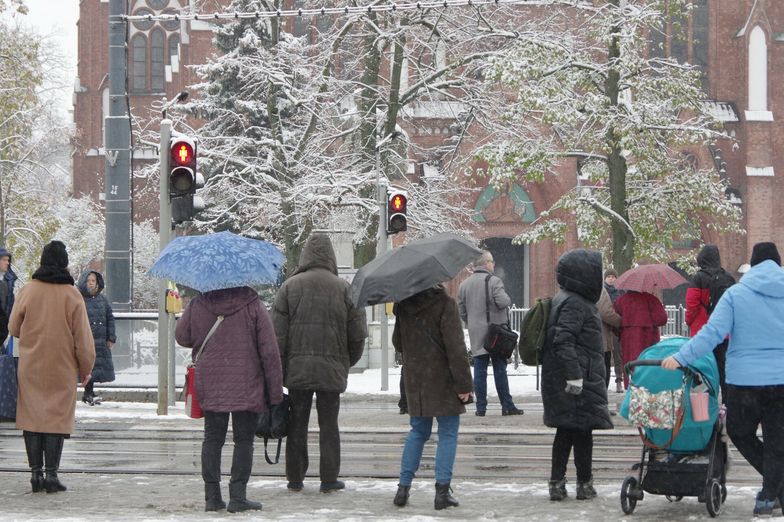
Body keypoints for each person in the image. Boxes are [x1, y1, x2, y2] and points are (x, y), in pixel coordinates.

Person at [662, 241, 784, 517]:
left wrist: (682, 356)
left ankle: (770, 494)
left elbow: (711, 333)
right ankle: (771, 494)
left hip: (744, 383)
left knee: (740, 433)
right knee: (778, 441)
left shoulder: (736, 294)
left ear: (751, 265)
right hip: (781, 382)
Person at [272, 233, 367, 494]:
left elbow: (277, 337)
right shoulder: (345, 289)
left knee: (297, 424)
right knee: (329, 425)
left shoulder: (289, 288)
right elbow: (358, 336)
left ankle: (295, 478)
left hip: (298, 371)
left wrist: (282, 370)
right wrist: (345, 362)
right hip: (331, 371)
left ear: (305, 256)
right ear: (331, 257)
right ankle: (328, 478)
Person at [175, 285, 283, 513]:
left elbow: (182, 336)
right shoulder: (253, 304)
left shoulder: (198, 303)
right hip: (247, 382)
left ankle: (212, 497)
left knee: (212, 439)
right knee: (244, 441)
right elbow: (269, 351)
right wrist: (274, 394)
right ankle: (238, 496)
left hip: (211, 380)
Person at [8, 241, 95, 494]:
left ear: (43, 261)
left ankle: (35, 474)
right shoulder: (72, 295)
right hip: (62, 366)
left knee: (32, 418)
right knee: (55, 419)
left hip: (31, 365)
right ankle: (52, 476)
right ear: (64, 263)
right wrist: (86, 367)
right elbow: (84, 339)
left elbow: (13, 327)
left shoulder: (28, 290)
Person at [391, 284, 473, 510]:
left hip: (416, 379)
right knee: (447, 433)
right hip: (443, 378)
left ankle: (403, 489)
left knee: (417, 432)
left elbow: (398, 344)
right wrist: (465, 384)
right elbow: (455, 348)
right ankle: (442, 492)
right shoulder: (445, 304)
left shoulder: (403, 305)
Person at [542, 249, 613, 502]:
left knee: (571, 432)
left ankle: (562, 483)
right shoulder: (575, 303)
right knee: (578, 433)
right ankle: (580, 483)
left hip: (573, 378)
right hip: (576, 380)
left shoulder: (568, 299)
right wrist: (574, 376)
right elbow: (563, 340)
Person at [458, 251, 523, 417]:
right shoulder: (494, 281)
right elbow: (503, 302)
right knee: (499, 369)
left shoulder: (464, 285)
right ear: (486, 263)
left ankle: (481, 407)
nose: (493, 265)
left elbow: (462, 311)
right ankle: (507, 405)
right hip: (495, 333)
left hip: (476, 331)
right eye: (492, 261)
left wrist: (473, 321)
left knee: (479, 369)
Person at [684, 244, 735, 402]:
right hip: (723, 334)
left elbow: (692, 304)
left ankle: (704, 408)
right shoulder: (729, 278)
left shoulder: (699, 278)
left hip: (702, 333)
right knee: (723, 370)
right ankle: (728, 405)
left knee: (701, 371)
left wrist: (689, 321)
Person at [613, 287, 668, 389]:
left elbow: (615, 322)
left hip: (627, 338)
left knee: (629, 364)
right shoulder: (651, 299)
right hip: (648, 337)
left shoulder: (621, 300)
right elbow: (662, 319)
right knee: (647, 363)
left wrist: (621, 331)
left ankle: (630, 388)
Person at [77, 270, 116, 405]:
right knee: (88, 366)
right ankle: (87, 393)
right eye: (88, 281)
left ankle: (89, 392)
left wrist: (111, 337)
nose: (91, 283)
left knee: (96, 366)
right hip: (86, 339)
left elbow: (110, 317)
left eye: (93, 281)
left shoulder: (102, 299)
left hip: (100, 339)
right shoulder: (79, 298)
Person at [596, 285, 621, 393]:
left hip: (582, 343)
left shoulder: (572, 289)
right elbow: (606, 313)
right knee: (601, 375)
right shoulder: (599, 290)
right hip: (600, 339)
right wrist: (620, 322)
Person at [603, 269, 624, 393]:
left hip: (616, 327)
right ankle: (604, 381)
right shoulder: (601, 292)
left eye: (613, 276)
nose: (611, 279)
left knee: (618, 355)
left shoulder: (620, 292)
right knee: (605, 356)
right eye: (608, 276)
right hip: (605, 327)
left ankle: (619, 380)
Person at [0, 247, 18, 347]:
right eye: (4, 260)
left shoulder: (9, 282)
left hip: (3, 330)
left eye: (8, 260)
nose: (7, 263)